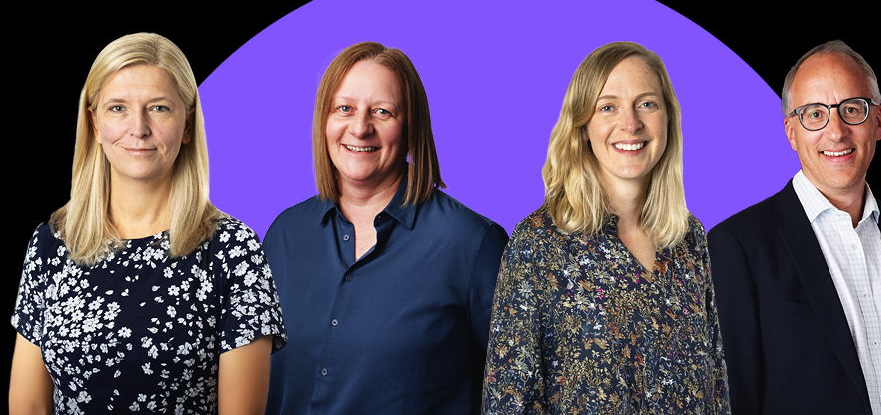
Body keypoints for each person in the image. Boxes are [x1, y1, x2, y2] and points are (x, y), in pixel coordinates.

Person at [10, 33, 287, 414]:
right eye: (118, 108)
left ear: (187, 124)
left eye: (158, 108)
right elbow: (28, 405)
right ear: (94, 124)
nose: (137, 128)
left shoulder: (234, 251)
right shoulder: (53, 244)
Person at [482, 41, 730, 414]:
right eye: (608, 107)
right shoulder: (538, 243)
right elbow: (508, 402)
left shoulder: (689, 237)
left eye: (647, 103)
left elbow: (718, 388)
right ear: (582, 126)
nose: (630, 124)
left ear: (668, 118)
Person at [262, 41, 508, 414]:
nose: (360, 128)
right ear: (323, 121)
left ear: (411, 126)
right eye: (344, 108)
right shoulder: (283, 236)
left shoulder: (472, 244)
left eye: (382, 111)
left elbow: (519, 389)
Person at [707, 40, 881, 414]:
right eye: (814, 114)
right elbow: (734, 400)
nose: (836, 132)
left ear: (878, 121)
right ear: (791, 132)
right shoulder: (738, 246)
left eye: (852, 109)